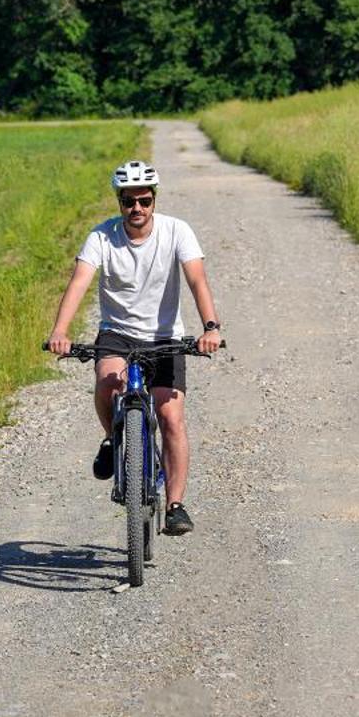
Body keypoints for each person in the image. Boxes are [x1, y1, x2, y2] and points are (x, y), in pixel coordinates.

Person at [46, 159, 222, 536]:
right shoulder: (101, 237)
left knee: (172, 418)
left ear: (154, 200)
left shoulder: (178, 231)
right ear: (119, 202)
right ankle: (113, 437)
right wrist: (60, 330)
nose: (137, 209)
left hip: (165, 337)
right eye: (129, 202)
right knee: (108, 385)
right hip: (117, 333)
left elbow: (197, 280)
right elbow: (78, 283)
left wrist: (210, 327)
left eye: (144, 200)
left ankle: (175, 505)